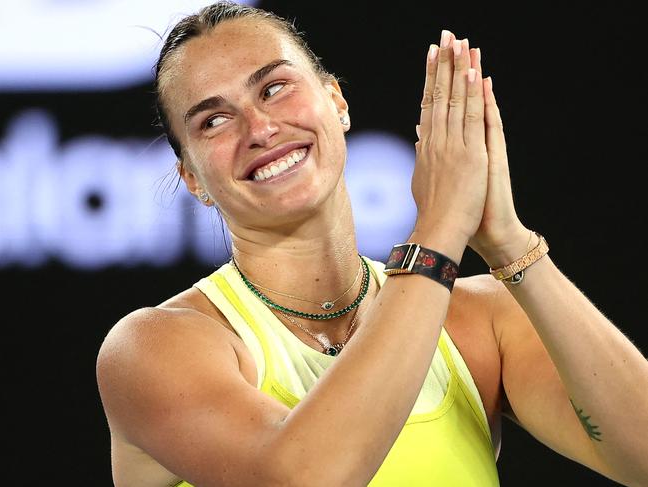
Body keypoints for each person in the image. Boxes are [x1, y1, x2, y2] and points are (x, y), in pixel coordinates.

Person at [96, 2, 648, 486]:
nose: (259, 128)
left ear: (336, 100)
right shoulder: (155, 349)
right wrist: (437, 232)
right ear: (193, 179)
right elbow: (305, 479)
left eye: (275, 87)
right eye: (214, 120)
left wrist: (507, 242)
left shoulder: (475, 322)